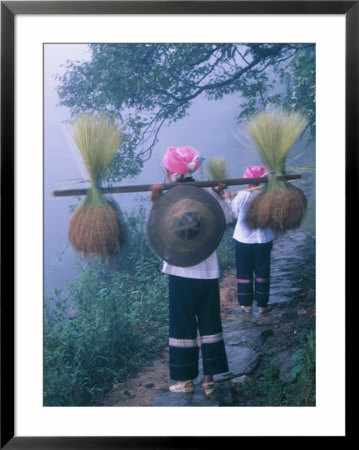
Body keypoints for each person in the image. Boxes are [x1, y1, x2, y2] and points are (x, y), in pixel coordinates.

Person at [150, 146, 232, 395]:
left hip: (180, 271)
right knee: (209, 321)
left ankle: (184, 380)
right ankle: (209, 379)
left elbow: (153, 227)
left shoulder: (166, 196)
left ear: (168, 171)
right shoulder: (207, 191)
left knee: (182, 324)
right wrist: (222, 195)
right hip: (207, 271)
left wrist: (154, 201)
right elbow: (228, 218)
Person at [225, 165, 276, 314]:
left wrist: (228, 200)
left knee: (244, 271)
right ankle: (262, 305)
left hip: (244, 239)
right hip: (263, 239)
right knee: (262, 270)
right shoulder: (268, 195)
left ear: (249, 181)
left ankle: (246, 305)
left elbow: (233, 213)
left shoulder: (243, 195)